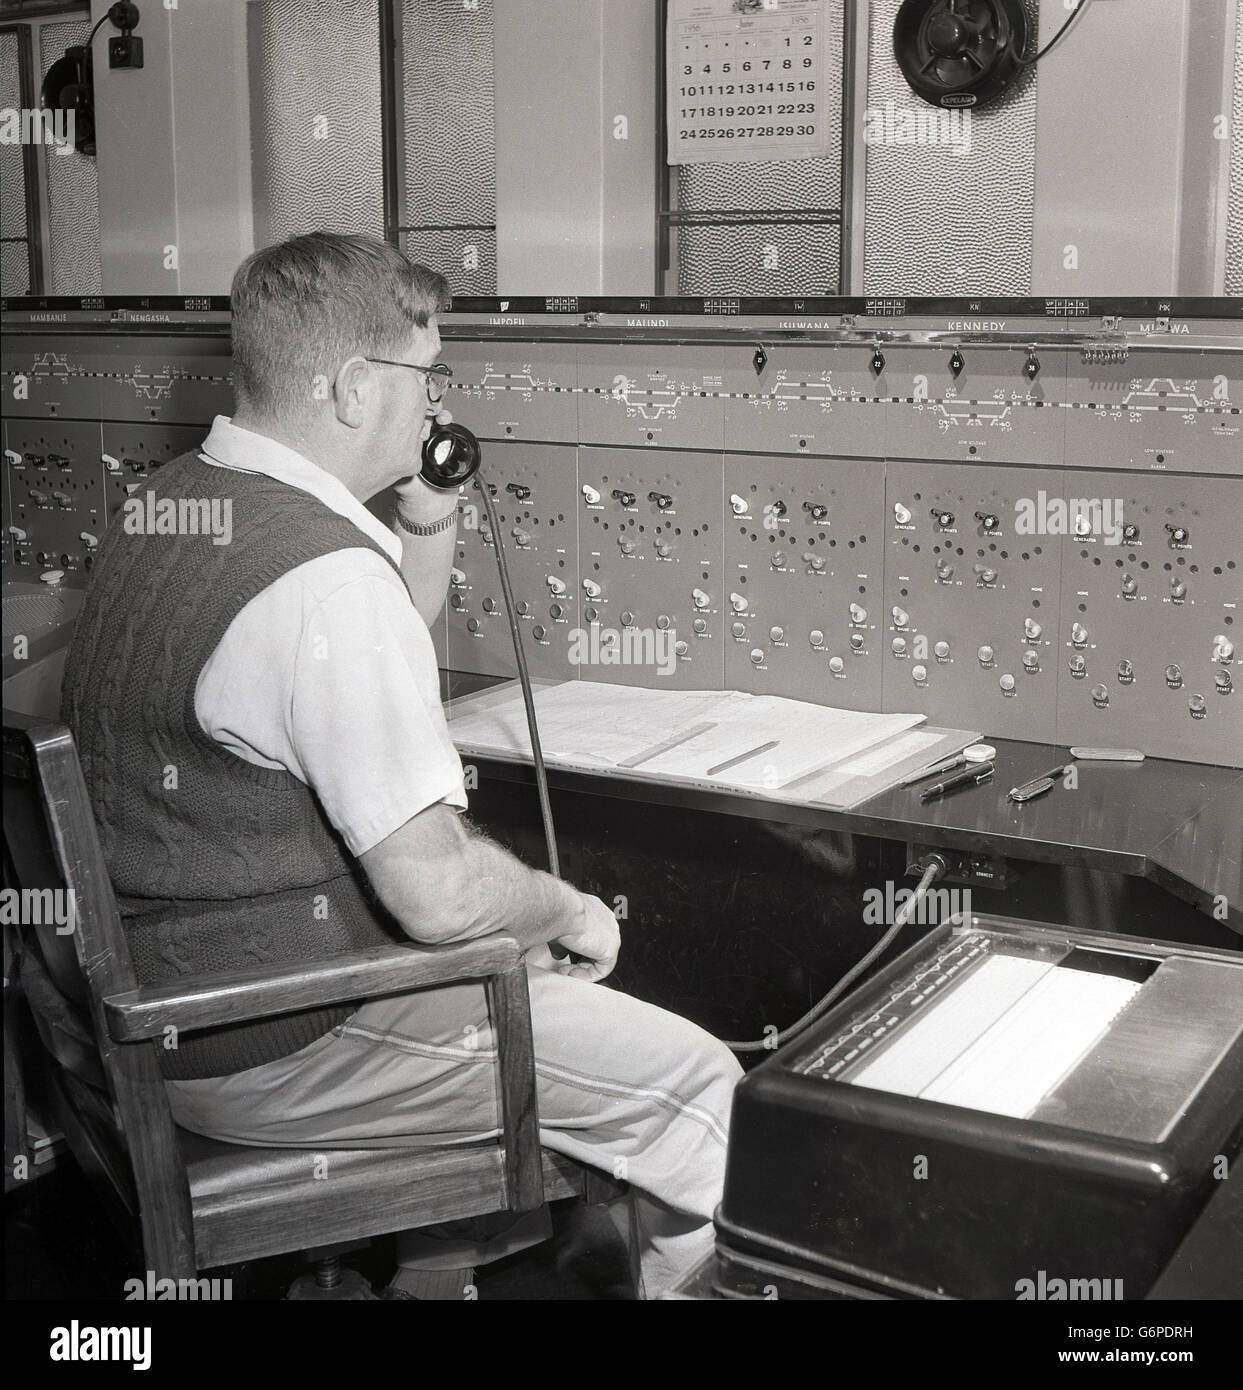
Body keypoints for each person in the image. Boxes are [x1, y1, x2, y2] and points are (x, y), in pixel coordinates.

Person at [62, 231, 742, 1299]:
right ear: (347, 387)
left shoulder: (187, 502)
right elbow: (434, 895)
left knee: (523, 975)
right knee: (696, 1085)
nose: (438, 407)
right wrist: (564, 909)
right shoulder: (324, 583)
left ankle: (429, 1276)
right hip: (272, 1042)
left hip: (173, 1000)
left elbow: (342, 666)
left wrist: (426, 517)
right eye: (427, 378)